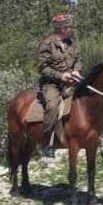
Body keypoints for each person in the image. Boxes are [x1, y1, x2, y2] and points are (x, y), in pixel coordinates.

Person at [36, 14, 82, 157]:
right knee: (52, 106)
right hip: (52, 84)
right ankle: (47, 141)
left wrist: (76, 70)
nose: (71, 29)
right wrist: (60, 75)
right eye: (69, 27)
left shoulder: (71, 43)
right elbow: (42, 68)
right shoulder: (47, 44)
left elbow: (78, 59)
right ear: (61, 29)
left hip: (72, 81)